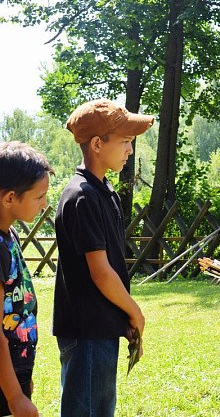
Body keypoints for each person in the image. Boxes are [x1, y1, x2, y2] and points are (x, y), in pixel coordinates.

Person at [53, 99, 154, 416]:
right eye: (125, 141)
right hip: (86, 334)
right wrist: (134, 311)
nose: (130, 150)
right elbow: (101, 272)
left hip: (100, 329)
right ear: (97, 144)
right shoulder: (81, 195)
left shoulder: (103, 191)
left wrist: (119, 317)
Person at [0, 141, 53, 417]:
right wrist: (14, 396)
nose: (45, 203)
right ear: (9, 198)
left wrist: (20, 382)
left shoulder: (11, 235)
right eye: (39, 196)